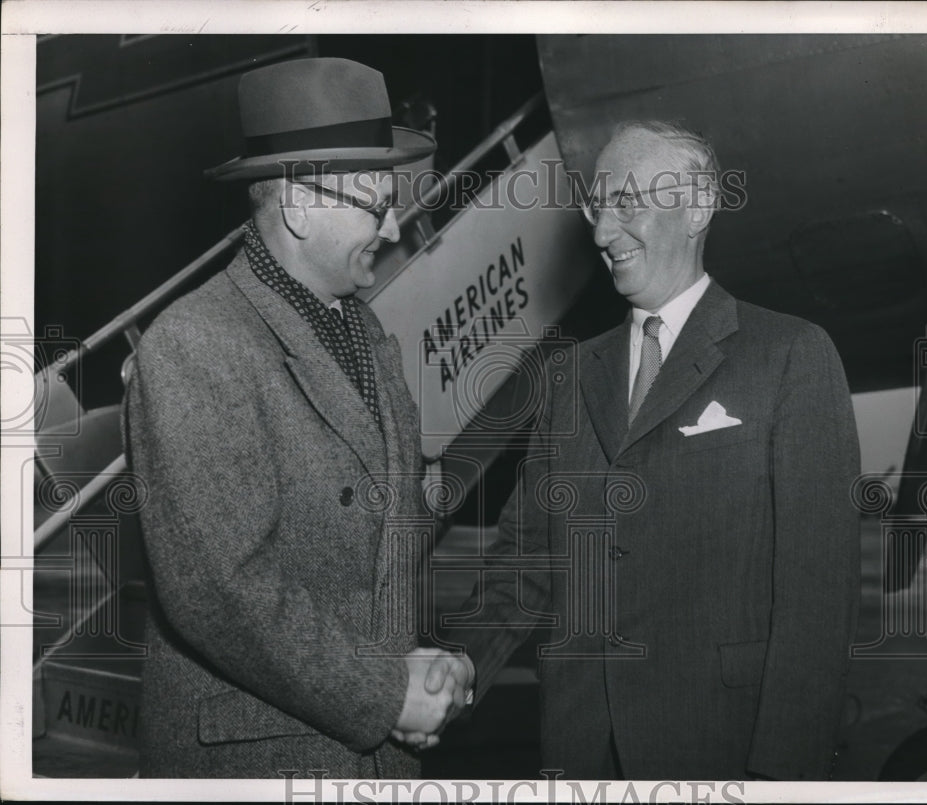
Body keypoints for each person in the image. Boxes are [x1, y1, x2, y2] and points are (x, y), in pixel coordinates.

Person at [420, 120, 861, 780]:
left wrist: (780, 780)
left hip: (724, 754)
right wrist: (460, 662)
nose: (603, 232)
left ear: (698, 207)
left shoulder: (790, 356)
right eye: (596, 208)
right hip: (580, 755)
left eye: (627, 203)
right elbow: (528, 560)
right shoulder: (569, 377)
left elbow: (817, 600)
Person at [123, 57, 470, 778]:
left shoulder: (365, 332)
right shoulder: (194, 343)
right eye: (377, 205)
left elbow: (378, 553)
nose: (395, 224)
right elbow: (218, 590)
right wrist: (387, 695)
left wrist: (426, 671)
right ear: (299, 205)